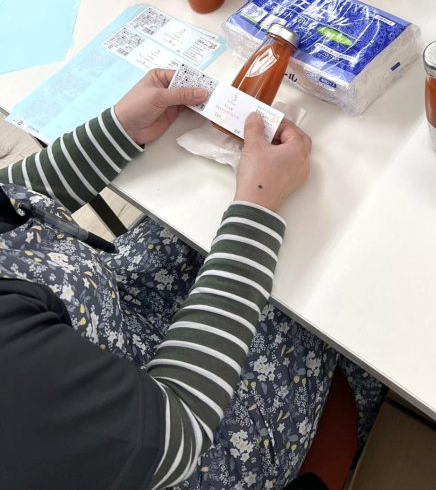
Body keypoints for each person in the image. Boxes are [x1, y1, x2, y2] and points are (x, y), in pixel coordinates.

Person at [0, 69, 383, 489]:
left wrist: (117, 130)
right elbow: (176, 437)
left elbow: (12, 207)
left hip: (109, 315)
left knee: (198, 223)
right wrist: (258, 206)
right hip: (188, 439)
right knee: (316, 277)